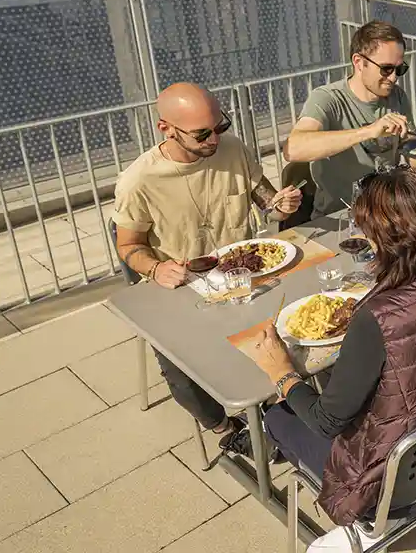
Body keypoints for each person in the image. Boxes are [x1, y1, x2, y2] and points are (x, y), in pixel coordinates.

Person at [239, 166, 416, 526]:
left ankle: (357, 526)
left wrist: (281, 373)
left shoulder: (376, 318)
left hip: (394, 482)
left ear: (382, 240)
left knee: (275, 416)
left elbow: (326, 421)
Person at [112, 82, 303, 449]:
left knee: (302, 320)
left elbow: (265, 201)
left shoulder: (232, 150)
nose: (214, 140)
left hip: (247, 278)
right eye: (202, 134)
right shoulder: (139, 181)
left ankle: (282, 405)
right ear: (165, 128)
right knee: (182, 374)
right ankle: (224, 429)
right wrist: (154, 269)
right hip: (183, 289)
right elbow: (129, 246)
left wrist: (281, 205)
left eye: (221, 127)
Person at [284, 21, 416, 216]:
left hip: (387, 214)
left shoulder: (397, 96)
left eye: (400, 69)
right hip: (339, 218)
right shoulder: (327, 98)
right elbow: (293, 149)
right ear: (358, 62)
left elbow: (413, 156)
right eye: (386, 69)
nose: (394, 77)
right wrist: (368, 131)